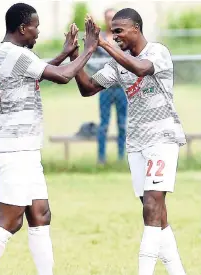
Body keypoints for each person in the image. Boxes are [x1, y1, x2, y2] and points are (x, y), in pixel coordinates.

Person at [0, 3, 100, 275]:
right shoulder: (15, 54)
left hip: (25, 146)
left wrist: (66, 53)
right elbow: (63, 76)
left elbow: (39, 70)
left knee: (40, 214)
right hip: (14, 146)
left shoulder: (3, 51)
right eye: (35, 27)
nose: (38, 32)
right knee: (11, 220)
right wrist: (89, 48)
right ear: (22, 28)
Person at [70, 9, 186, 275]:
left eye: (119, 30)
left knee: (151, 208)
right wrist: (79, 53)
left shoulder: (157, 52)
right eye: (112, 31)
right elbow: (87, 87)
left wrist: (105, 44)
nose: (115, 35)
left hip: (162, 138)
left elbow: (141, 69)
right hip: (136, 143)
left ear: (136, 28)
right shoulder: (116, 64)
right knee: (158, 214)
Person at [87, 8, 127, 163]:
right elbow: (90, 58)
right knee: (103, 124)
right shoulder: (99, 38)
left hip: (121, 88)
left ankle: (121, 158)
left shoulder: (122, 38)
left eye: (113, 18)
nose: (110, 21)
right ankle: (101, 158)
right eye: (108, 18)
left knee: (123, 124)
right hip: (104, 88)